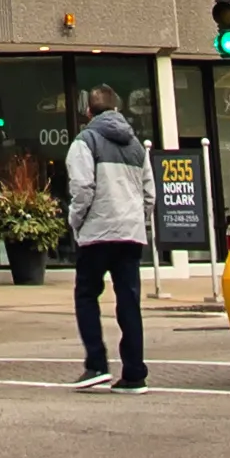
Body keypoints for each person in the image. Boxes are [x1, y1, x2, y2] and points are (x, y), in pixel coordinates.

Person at [65, 87, 154, 389]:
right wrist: (139, 222)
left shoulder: (84, 142)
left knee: (87, 295)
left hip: (97, 233)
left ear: (88, 112)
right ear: (117, 109)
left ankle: (96, 364)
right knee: (129, 301)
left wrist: (76, 222)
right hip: (130, 234)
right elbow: (149, 194)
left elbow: (82, 189)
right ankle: (134, 373)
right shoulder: (137, 147)